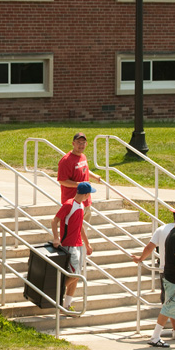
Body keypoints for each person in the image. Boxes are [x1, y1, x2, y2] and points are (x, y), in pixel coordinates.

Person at [131, 204, 175, 340]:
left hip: (171, 272)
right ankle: (158, 336)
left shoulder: (163, 229)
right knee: (172, 305)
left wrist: (141, 258)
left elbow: (150, 247)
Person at [51, 182, 95, 311]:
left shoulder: (80, 205)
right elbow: (55, 220)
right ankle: (55, 293)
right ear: (86, 194)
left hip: (78, 244)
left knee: (76, 276)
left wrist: (87, 244)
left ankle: (66, 305)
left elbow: (80, 226)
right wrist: (55, 237)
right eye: (89, 194)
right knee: (76, 274)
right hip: (69, 245)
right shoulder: (69, 204)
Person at [57, 132, 101, 223]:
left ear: (86, 144)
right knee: (73, 230)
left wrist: (95, 177)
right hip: (73, 201)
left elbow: (84, 169)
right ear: (73, 143)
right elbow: (62, 180)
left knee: (84, 229)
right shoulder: (66, 160)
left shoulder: (83, 157)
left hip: (86, 201)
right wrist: (79, 184)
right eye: (78, 143)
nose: (81, 145)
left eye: (83, 143)